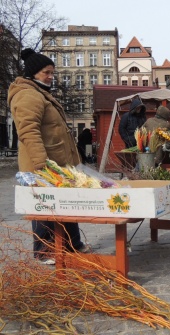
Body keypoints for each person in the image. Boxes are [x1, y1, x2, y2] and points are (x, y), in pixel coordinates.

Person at [7, 48, 91, 265]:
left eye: (52, 72)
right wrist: (40, 164)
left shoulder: (41, 93)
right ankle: (44, 251)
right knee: (44, 207)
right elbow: (28, 131)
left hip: (60, 164)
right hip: (44, 164)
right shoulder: (27, 94)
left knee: (67, 204)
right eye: (47, 72)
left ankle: (72, 244)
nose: (51, 77)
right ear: (33, 73)